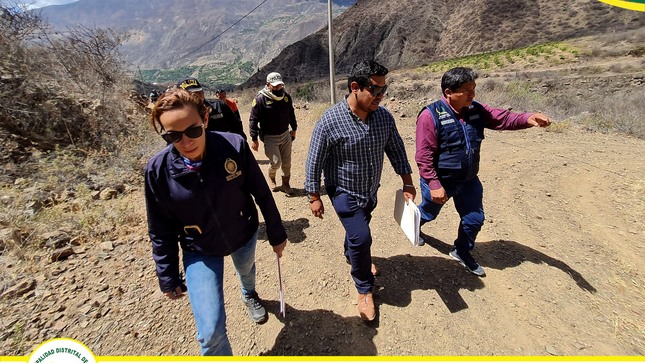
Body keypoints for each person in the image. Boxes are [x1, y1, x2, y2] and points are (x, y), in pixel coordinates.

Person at [144, 88, 287, 355]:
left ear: (205, 119)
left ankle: (249, 294)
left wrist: (277, 234)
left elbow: (262, 193)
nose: (185, 141)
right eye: (173, 136)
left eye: (193, 131)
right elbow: (160, 228)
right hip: (199, 248)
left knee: (246, 271)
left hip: (242, 232)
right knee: (209, 333)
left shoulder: (234, 146)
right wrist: (167, 274)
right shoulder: (157, 171)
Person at [304, 60, 416, 321]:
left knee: (359, 230)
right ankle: (364, 289)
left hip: (369, 190)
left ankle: (354, 256)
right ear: (355, 87)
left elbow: (397, 150)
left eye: (383, 90)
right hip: (342, 190)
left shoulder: (384, 118)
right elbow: (314, 160)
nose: (381, 96)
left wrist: (408, 182)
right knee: (362, 237)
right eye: (375, 90)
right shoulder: (330, 121)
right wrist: (313, 195)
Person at [415, 66, 552, 277]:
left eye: (474, 88)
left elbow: (503, 119)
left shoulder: (476, 110)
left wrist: (528, 118)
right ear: (448, 92)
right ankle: (414, 226)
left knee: (474, 219)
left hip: (469, 180)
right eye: (466, 90)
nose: (472, 94)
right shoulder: (430, 116)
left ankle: (461, 251)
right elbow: (424, 156)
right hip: (442, 181)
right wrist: (434, 184)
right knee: (427, 213)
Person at [249, 72, 298, 194]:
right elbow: (253, 120)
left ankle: (285, 185)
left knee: (287, 163)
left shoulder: (286, 97)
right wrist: (254, 138)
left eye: (280, 86)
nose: (278, 88)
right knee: (276, 163)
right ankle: (271, 176)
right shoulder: (260, 99)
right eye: (275, 86)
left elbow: (291, 113)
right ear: (268, 85)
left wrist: (294, 129)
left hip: (285, 134)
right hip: (270, 137)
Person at [176, 77, 246, 139]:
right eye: (191, 94)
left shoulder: (219, 106)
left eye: (199, 91)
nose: (197, 95)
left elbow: (237, 126)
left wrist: (241, 146)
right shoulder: (179, 117)